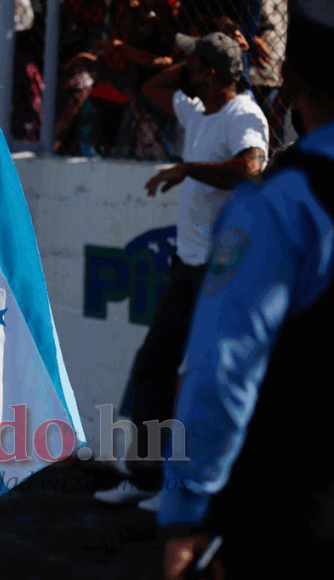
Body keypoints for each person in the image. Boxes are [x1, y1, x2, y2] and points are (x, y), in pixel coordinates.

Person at [159, 1, 334, 577]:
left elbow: (223, 367)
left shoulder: (285, 203)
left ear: (293, 81)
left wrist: (188, 510)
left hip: (297, 507)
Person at [93, 31, 268, 511]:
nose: (186, 72)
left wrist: (189, 169)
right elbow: (152, 89)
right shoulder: (198, 111)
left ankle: (190, 487)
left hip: (223, 272)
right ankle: (147, 476)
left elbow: (251, 167)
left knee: (206, 378)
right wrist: (186, 53)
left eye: (194, 67)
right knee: (154, 366)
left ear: (210, 74)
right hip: (187, 266)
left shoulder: (243, 114)